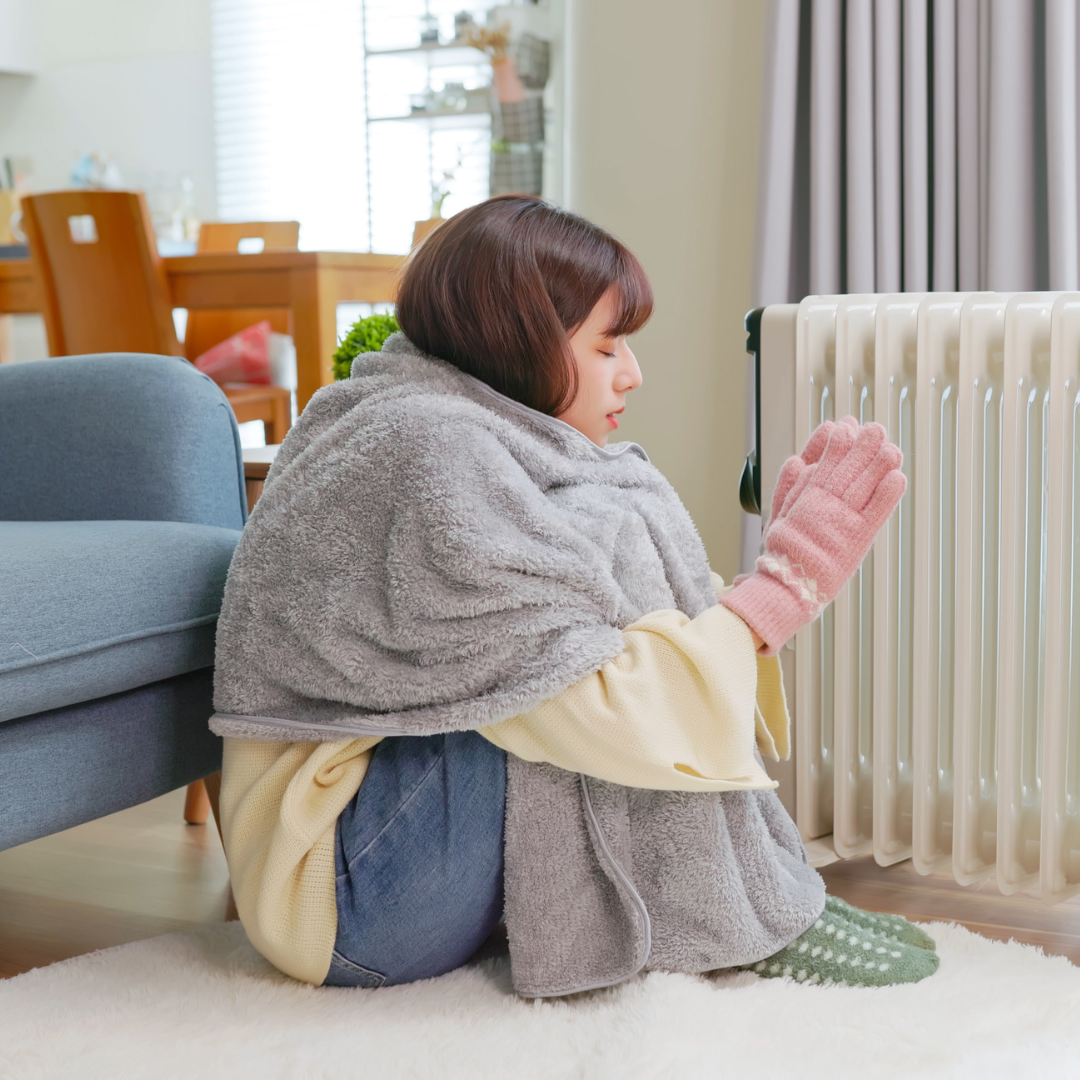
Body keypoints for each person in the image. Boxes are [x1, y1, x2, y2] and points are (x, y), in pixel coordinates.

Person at [211, 195, 938, 995]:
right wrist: (780, 591)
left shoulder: (464, 429)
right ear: (518, 341)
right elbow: (592, 702)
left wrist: (757, 600)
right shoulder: (429, 451)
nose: (631, 372)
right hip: (347, 902)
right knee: (563, 680)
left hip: (393, 854)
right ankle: (725, 921)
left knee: (577, 638)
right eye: (606, 345)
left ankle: (751, 894)